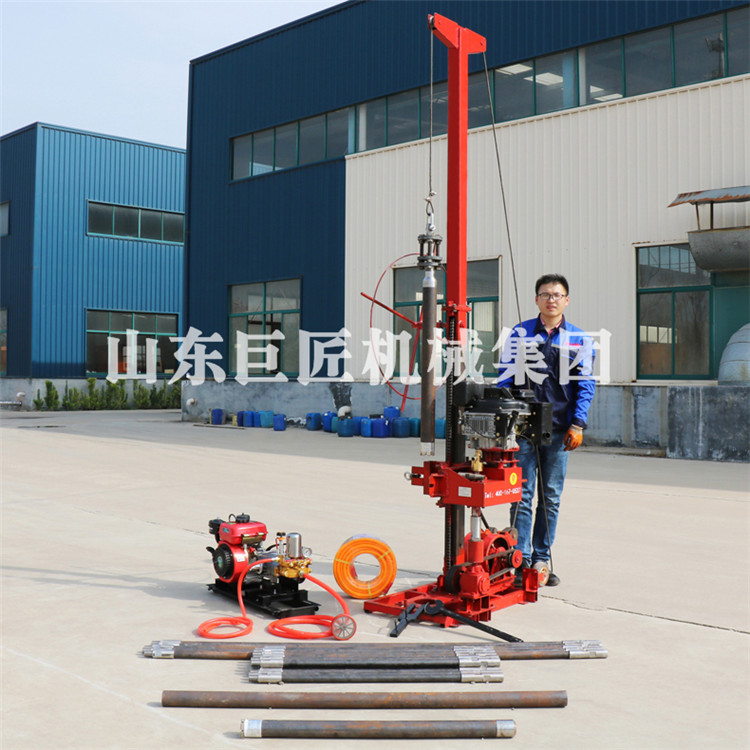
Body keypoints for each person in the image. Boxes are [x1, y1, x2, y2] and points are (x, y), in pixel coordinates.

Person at [497, 273, 595, 586]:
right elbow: (505, 377)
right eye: (545, 294)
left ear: (566, 300)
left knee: (550, 497)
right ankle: (520, 560)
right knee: (521, 496)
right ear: (536, 299)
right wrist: (505, 415)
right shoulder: (520, 333)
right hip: (523, 429)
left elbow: (586, 384)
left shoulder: (579, 339)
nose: (551, 300)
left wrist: (578, 424)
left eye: (557, 295)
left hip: (560, 429)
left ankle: (541, 559)